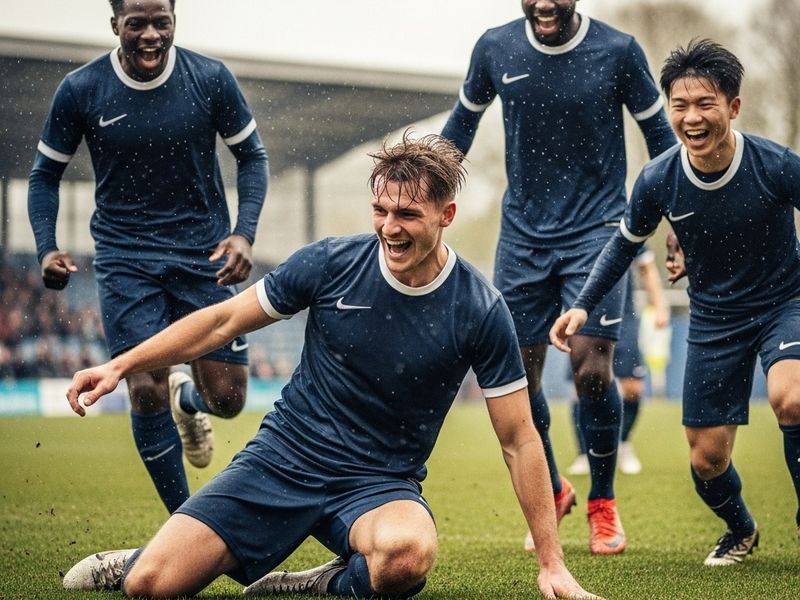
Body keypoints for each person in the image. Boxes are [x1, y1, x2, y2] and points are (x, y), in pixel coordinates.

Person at [60, 134, 600, 599]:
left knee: (407, 557)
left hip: (379, 483)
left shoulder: (479, 308)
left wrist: (551, 562)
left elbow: (519, 437)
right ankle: (142, 557)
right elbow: (222, 322)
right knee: (150, 587)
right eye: (381, 210)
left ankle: (320, 583)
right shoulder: (331, 263)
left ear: (446, 215)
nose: (390, 227)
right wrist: (121, 364)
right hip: (284, 460)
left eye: (408, 214)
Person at [551, 39, 800, 566]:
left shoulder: (776, 165)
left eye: (705, 104)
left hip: (785, 304)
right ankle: (740, 527)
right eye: (679, 106)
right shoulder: (659, 179)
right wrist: (582, 306)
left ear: (733, 107)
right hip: (713, 318)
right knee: (706, 460)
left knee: (792, 398)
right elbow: (622, 244)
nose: (692, 117)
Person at [441, 0, 676, 555]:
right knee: (517, 379)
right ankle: (552, 487)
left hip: (597, 230)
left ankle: (603, 503)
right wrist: (418, 191)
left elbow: (661, 137)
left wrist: (681, 218)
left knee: (592, 369)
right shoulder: (495, 47)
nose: (544, 3)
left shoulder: (618, 51)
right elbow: (459, 130)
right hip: (522, 237)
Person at [27, 0, 269, 513]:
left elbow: (252, 156)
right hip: (125, 258)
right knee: (143, 385)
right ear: (115, 24)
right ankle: (187, 522)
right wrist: (46, 246)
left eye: (163, 22)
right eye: (136, 24)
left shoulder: (210, 78)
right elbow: (45, 175)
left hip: (205, 254)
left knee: (227, 400)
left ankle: (190, 401)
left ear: (175, 19)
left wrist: (244, 233)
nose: (151, 35)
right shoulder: (82, 89)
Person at [567, 245, 670, 476]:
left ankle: (621, 444)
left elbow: (647, 268)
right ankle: (585, 452)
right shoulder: (573, 223)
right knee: (581, 386)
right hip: (583, 316)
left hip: (623, 318)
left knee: (633, 387)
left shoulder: (624, 220)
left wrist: (660, 306)